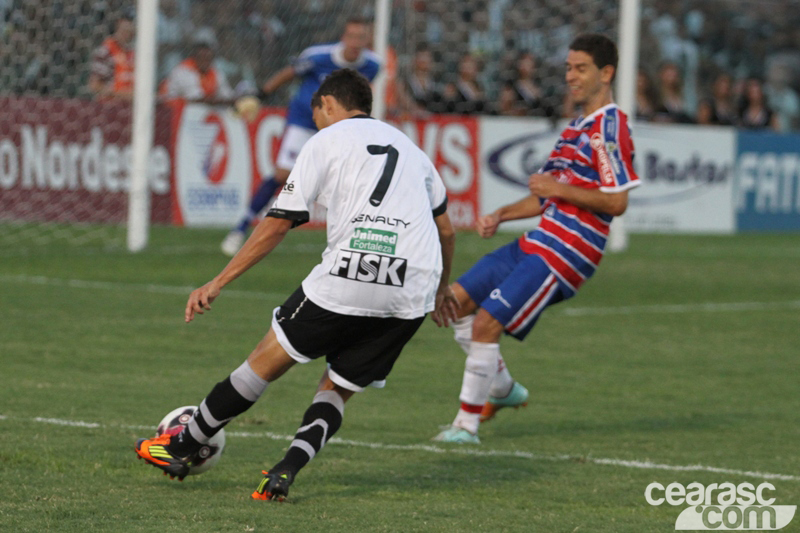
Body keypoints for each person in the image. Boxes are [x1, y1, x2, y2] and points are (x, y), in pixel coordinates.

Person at [135, 69, 458, 500]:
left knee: (264, 363)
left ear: (326, 104)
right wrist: (440, 291)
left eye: (318, 114)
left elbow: (278, 222)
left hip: (351, 272)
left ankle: (180, 444)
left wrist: (220, 280)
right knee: (337, 388)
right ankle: (285, 471)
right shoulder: (413, 151)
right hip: (412, 288)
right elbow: (447, 230)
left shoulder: (325, 141)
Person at [432, 34, 641, 444]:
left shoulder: (609, 127)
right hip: (538, 241)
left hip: (566, 253)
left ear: (606, 73)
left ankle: (465, 427)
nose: (571, 76)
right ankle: (504, 389)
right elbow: (547, 191)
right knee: (453, 306)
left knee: (487, 323)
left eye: (580, 68)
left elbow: (616, 202)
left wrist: (558, 190)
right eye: (568, 67)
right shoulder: (575, 128)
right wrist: (502, 214)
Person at [220, 17, 381, 256]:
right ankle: (240, 228)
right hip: (305, 120)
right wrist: (262, 94)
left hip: (339, 127)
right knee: (283, 174)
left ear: (367, 40)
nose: (356, 42)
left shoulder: (372, 65)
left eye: (361, 37)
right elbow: (290, 73)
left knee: (351, 177)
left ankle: (355, 235)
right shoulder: (318, 57)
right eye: (352, 36)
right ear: (343, 37)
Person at [160, 29, 235, 105]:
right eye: (201, 50)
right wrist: (222, 101)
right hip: (170, 111)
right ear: (194, 54)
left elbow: (228, 96)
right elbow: (196, 100)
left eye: (208, 49)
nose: (205, 53)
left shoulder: (214, 72)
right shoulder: (183, 70)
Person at [88, 8, 135, 100]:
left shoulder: (133, 53)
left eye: (130, 31)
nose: (128, 33)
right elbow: (95, 86)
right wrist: (125, 95)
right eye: (125, 30)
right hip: (110, 106)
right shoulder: (105, 51)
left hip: (129, 106)